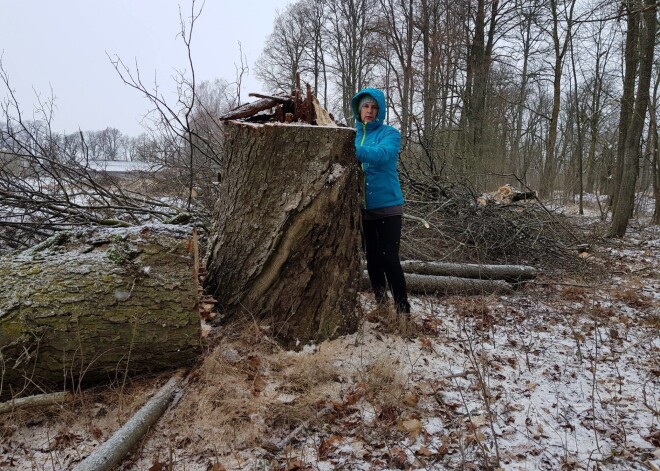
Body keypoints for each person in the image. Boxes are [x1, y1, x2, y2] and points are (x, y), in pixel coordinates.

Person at [351, 87, 411, 314]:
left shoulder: (389, 134)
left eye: (374, 107)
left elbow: (382, 155)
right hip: (364, 209)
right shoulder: (353, 134)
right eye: (365, 106)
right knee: (373, 259)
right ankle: (381, 304)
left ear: (380, 110)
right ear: (358, 108)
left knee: (390, 259)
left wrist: (352, 149)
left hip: (388, 207)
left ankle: (403, 310)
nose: (369, 110)